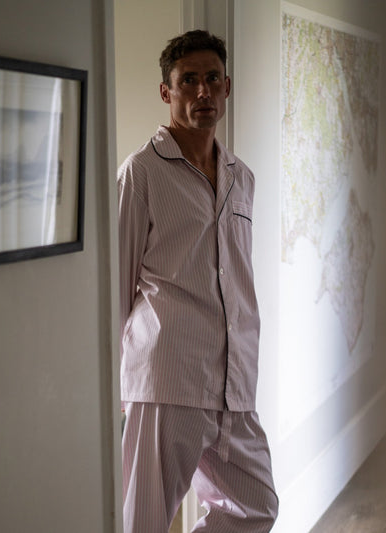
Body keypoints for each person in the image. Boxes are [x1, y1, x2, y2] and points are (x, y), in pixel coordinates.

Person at [118, 29, 278, 533]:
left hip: (234, 382)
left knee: (256, 508)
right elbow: (114, 287)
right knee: (145, 521)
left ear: (227, 86)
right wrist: (113, 387)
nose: (203, 91)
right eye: (189, 80)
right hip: (166, 377)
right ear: (166, 91)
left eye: (212, 78)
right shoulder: (141, 172)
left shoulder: (241, 176)